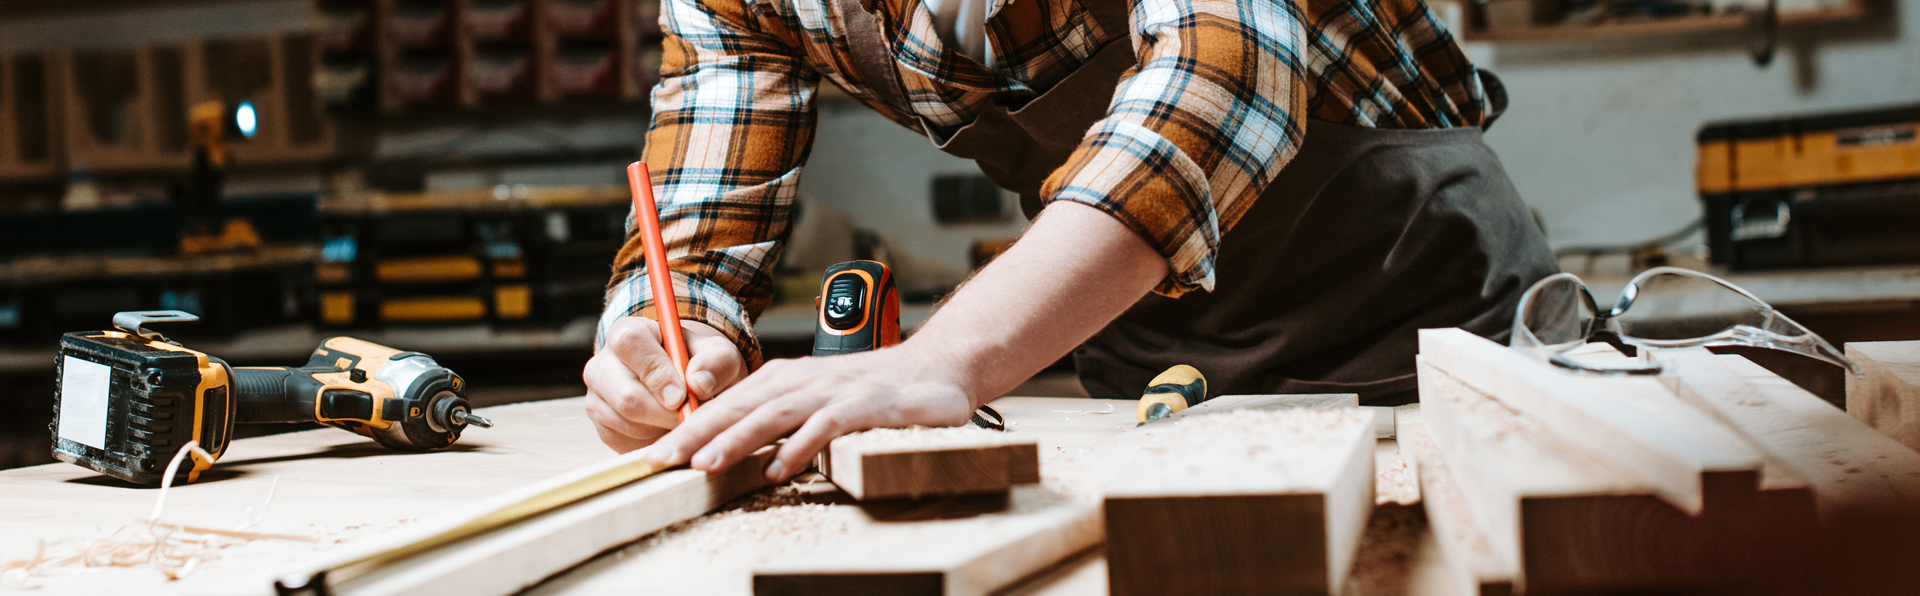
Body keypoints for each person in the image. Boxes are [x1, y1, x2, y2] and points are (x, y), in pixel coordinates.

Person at [584, 0, 1557, 483]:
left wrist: (947, 356)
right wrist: (662, 338)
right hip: (1152, 361)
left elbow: (1228, 73)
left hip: (1425, 332)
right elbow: (696, 227)